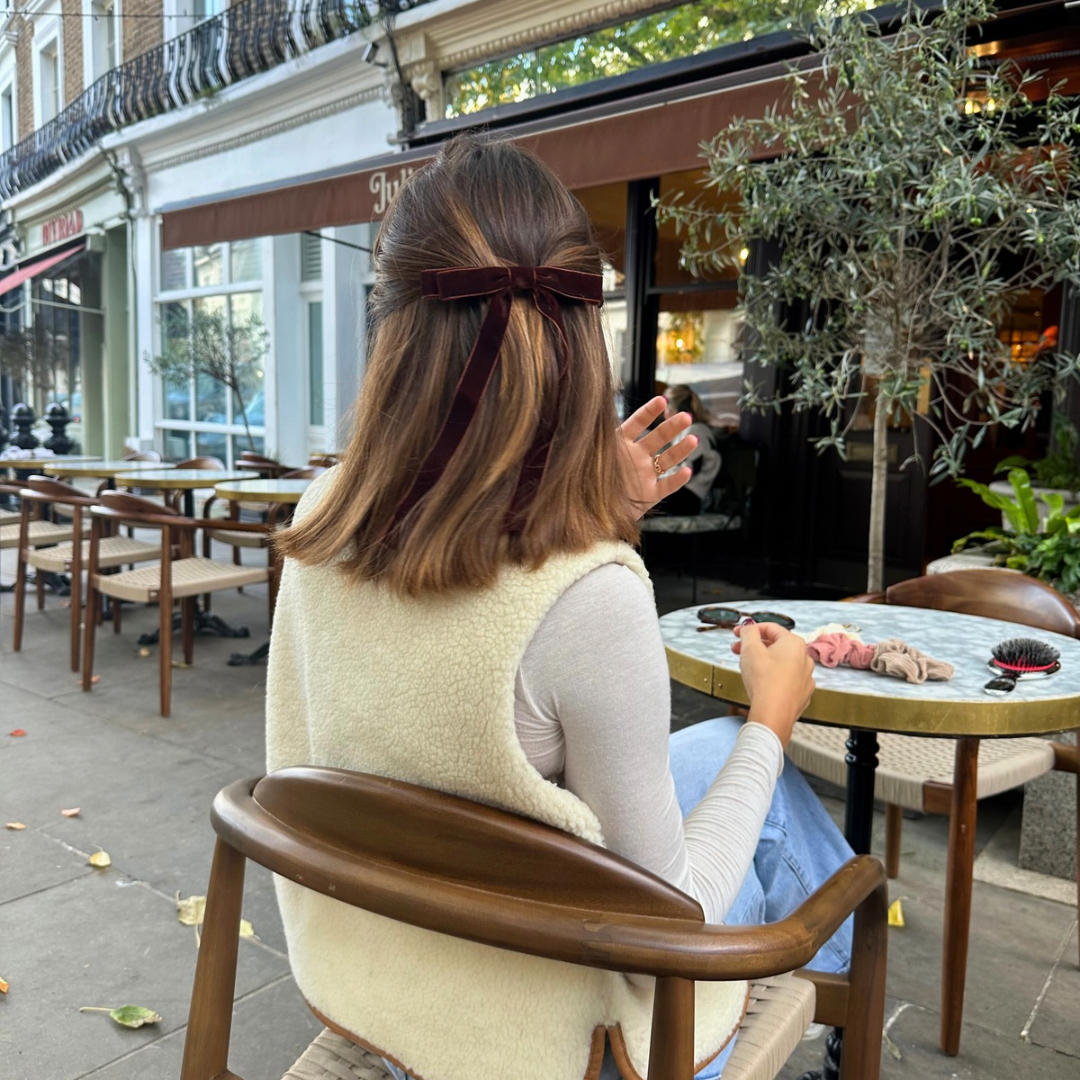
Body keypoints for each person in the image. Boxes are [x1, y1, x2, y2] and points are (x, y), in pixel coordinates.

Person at [267, 134, 853, 1080]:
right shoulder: (588, 600)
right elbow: (677, 914)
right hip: (555, 1036)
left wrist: (592, 520)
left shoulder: (320, 515)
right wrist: (773, 718)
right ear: (584, 341)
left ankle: (829, 1028)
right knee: (774, 794)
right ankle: (841, 1021)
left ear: (394, 330)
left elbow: (465, 622)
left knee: (708, 767)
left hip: (377, 970)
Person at [656, 384, 721, 514]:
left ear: (670, 409)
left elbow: (689, 470)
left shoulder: (695, 431)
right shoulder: (690, 430)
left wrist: (657, 477)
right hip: (684, 493)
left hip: (688, 496)